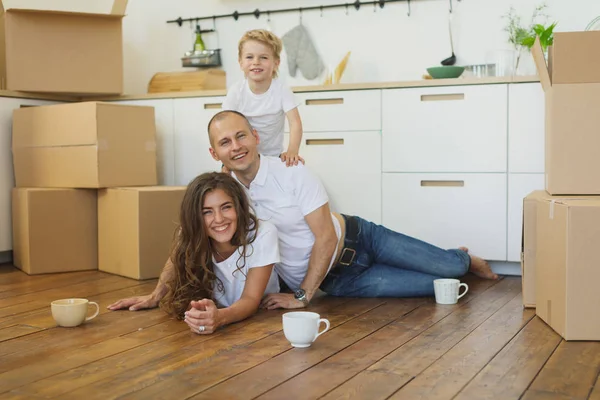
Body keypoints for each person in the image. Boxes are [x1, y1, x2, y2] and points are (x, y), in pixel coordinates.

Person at [207, 110, 499, 310]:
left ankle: (462, 258)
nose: (236, 147)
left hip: (362, 239)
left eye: (241, 136)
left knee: (452, 268)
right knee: (441, 285)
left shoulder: (291, 172)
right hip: (341, 280)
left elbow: (326, 238)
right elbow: (192, 232)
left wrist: (303, 296)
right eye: (225, 142)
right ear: (214, 153)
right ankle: (450, 265)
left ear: (256, 137)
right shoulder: (226, 195)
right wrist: (162, 291)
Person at [107, 172, 281, 334]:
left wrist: (220, 318)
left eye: (226, 207)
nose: (219, 219)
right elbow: (175, 258)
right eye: (207, 212)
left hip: (260, 318)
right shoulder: (192, 232)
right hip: (216, 307)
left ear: (239, 207)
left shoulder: (263, 233)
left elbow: (250, 299)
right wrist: (155, 296)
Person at [222, 29, 304, 167]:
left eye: (263, 57)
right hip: (241, 156)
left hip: (273, 157)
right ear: (240, 62)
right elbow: (224, 125)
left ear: (276, 63)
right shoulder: (236, 91)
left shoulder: (282, 90)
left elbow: (295, 123)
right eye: (249, 57)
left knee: (294, 171)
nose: (256, 62)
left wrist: (292, 151)